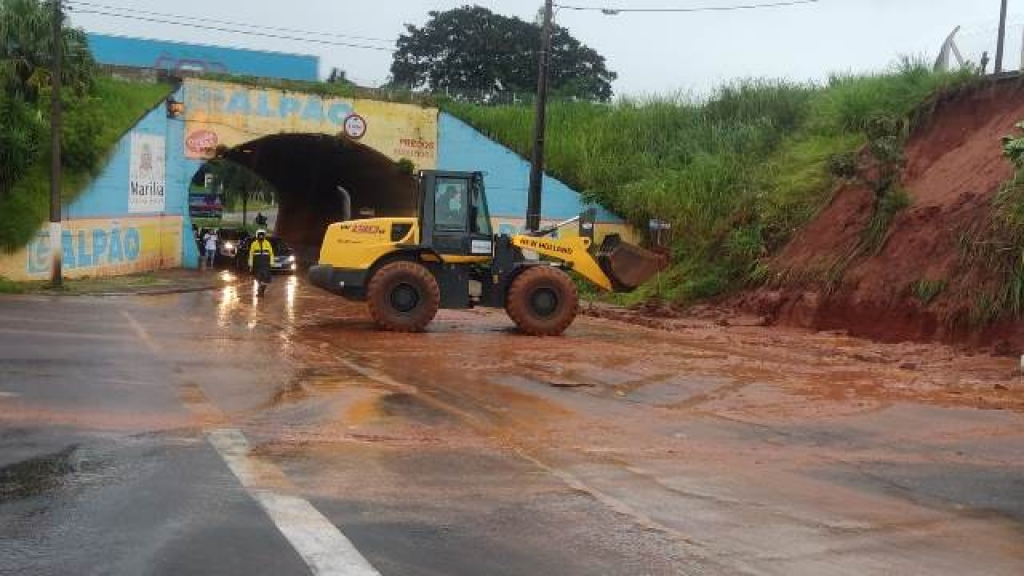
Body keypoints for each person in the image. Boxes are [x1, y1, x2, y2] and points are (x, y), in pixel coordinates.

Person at [248, 229, 275, 297]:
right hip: (257, 264)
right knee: (258, 279)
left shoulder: (267, 243)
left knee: (266, 279)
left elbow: (271, 254)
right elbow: (251, 255)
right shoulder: (254, 244)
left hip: (266, 264)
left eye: (262, 235)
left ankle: (261, 291)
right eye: (259, 235)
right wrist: (250, 264)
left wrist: (271, 262)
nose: (261, 236)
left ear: (264, 235)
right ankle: (260, 292)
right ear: (257, 236)